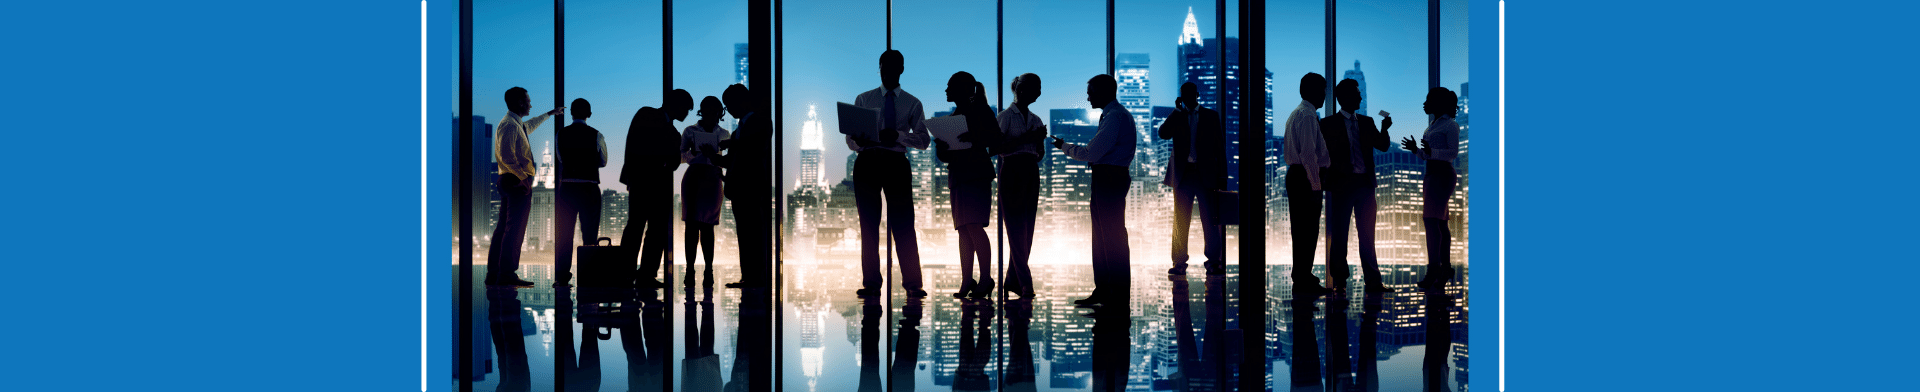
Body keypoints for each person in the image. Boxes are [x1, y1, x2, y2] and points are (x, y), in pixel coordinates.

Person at [848, 50, 932, 298]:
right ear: (879, 68)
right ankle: (871, 283)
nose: (887, 71)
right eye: (884, 66)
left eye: (892, 67)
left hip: (896, 162)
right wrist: (860, 142)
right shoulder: (863, 99)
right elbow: (850, 138)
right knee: (868, 225)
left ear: (901, 69)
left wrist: (898, 136)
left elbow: (924, 140)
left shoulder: (913, 103)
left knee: (904, 224)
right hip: (867, 161)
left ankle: (913, 284)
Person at [1050, 74, 1136, 309]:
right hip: (1109, 177)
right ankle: (1107, 290)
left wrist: (1063, 146)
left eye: (1091, 92)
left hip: (1109, 178)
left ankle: (1113, 292)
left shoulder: (1115, 117)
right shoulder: (1114, 115)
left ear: (1104, 91)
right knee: (1105, 236)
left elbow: (1091, 153)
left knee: (1109, 237)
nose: (1088, 96)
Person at [1319, 78, 1393, 293]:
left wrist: (1385, 128)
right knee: (1340, 235)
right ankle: (1340, 282)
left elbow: (1383, 146)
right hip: (1341, 186)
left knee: (1368, 235)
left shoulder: (1367, 122)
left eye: (1360, 93)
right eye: (1356, 93)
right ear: (1344, 98)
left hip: (1365, 185)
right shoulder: (1328, 124)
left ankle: (1373, 281)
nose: (1360, 97)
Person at [486, 87, 563, 287]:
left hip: (509, 181)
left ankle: (494, 274)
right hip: (515, 182)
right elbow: (507, 156)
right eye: (528, 101)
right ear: (520, 102)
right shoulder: (510, 126)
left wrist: (549, 115)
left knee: (503, 229)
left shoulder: (514, 124)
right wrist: (523, 179)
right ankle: (507, 274)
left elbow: (529, 126)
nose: (530, 104)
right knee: (515, 230)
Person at [935, 72, 1003, 299]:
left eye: (949, 87)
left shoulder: (982, 111)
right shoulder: (953, 116)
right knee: (963, 230)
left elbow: (996, 140)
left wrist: (972, 137)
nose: (946, 91)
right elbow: (946, 156)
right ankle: (967, 280)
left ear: (962, 89)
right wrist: (942, 146)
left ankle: (985, 279)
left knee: (973, 226)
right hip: (958, 174)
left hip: (975, 174)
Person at [620, 89, 692, 290]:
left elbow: (634, 145)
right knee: (646, 229)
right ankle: (640, 274)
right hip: (650, 183)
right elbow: (670, 161)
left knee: (646, 228)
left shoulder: (651, 118)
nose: (687, 113)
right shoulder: (656, 121)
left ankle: (633, 274)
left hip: (649, 183)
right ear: (676, 105)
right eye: (686, 108)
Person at [1158, 81, 1227, 276]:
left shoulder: (1211, 116)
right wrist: (1176, 111)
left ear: (1197, 94)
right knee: (1180, 221)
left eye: (1190, 93)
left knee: (1211, 221)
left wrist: (1222, 178)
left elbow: (1220, 148)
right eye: (1183, 94)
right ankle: (1179, 263)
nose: (1187, 97)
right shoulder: (1178, 116)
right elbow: (1163, 134)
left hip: (1205, 175)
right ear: (1180, 97)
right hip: (1182, 175)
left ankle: (1213, 262)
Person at [1402, 87, 1460, 291]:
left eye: (1428, 100)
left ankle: (1434, 269)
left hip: (1442, 175)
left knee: (1431, 221)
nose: (1425, 104)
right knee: (1440, 222)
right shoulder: (1432, 125)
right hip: (1432, 175)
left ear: (1439, 103)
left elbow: (1452, 153)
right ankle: (1444, 268)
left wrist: (1430, 151)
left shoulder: (1450, 125)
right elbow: (1428, 155)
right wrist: (1416, 150)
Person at [994, 73, 1047, 299]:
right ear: (1022, 90)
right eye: (1036, 88)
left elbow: (1039, 154)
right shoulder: (1005, 117)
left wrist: (1037, 140)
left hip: (1030, 171)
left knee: (1027, 230)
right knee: (1015, 228)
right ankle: (1025, 283)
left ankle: (1011, 280)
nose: (1039, 93)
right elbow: (998, 147)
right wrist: (1030, 137)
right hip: (1012, 170)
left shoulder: (1035, 119)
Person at [1284, 73, 1334, 296]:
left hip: (1297, 176)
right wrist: (1315, 183)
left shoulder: (1299, 113)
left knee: (1301, 229)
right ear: (1313, 91)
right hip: (1305, 177)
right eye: (1323, 89)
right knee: (1308, 229)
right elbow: (1308, 154)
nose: (1325, 94)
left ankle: (1302, 274)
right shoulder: (1307, 116)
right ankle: (1303, 276)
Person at [719, 84, 773, 289]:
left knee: (753, 234)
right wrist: (714, 158)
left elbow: (754, 147)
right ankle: (748, 276)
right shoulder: (737, 132)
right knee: (744, 234)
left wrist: (730, 146)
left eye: (729, 104)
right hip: (739, 188)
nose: (729, 109)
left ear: (742, 101)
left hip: (752, 187)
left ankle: (755, 277)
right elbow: (731, 160)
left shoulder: (761, 122)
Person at [554, 98, 607, 287]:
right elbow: (603, 161)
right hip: (589, 188)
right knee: (590, 233)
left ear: (571, 113)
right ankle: (589, 274)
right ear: (589, 114)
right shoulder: (596, 135)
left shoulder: (561, 134)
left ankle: (561, 275)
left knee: (564, 233)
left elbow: (561, 158)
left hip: (567, 189)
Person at [679, 96, 730, 288]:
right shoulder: (690, 131)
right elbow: (681, 157)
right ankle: (690, 270)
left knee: (708, 226)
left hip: (713, 177)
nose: (711, 115)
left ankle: (708, 271)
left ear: (719, 113)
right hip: (694, 177)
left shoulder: (725, 134)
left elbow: (729, 159)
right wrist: (694, 152)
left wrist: (714, 156)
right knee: (691, 226)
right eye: (707, 111)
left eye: (714, 112)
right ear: (702, 111)